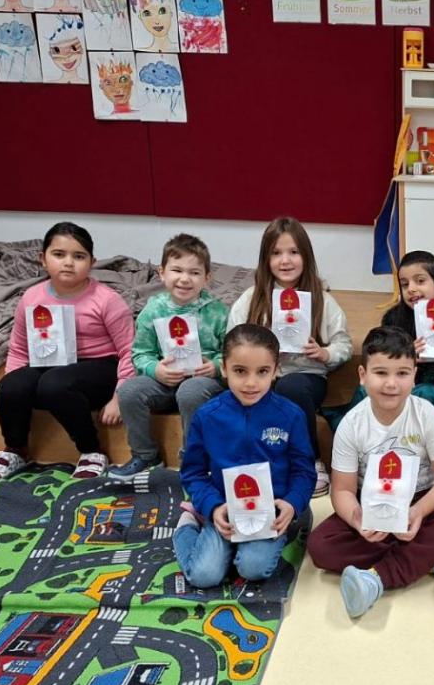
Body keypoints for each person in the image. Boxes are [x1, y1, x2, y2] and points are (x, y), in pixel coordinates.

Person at [307, 327, 434, 619]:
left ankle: (376, 578)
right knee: (320, 546)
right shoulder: (352, 423)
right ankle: (429, 558)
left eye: (402, 373)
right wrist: (358, 519)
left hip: (421, 500)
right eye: (381, 373)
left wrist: (418, 512)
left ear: (414, 376)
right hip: (370, 502)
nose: (391, 383)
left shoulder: (426, 414)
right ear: (363, 375)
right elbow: (343, 489)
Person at [0, 222, 133, 481]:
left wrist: (119, 397)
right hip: (49, 364)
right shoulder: (31, 297)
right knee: (10, 385)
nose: (68, 263)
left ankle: (91, 450)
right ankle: (15, 449)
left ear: (92, 262)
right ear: (43, 259)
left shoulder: (107, 299)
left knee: (55, 383)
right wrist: (16, 389)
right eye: (59, 254)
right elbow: (19, 348)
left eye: (79, 256)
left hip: (98, 369)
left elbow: (130, 349)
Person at [174, 325, 316, 588]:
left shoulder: (291, 415)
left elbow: (304, 471)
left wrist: (292, 503)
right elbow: (193, 473)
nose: (251, 383)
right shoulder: (207, 416)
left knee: (254, 568)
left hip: (270, 511)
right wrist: (213, 507)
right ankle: (189, 523)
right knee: (204, 576)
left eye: (262, 371)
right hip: (224, 508)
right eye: (240, 371)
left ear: (276, 370)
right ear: (224, 368)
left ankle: (281, 527)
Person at [228, 217, 352, 496]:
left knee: (291, 387)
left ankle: (311, 461)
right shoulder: (251, 299)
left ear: (306, 257)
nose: (285, 261)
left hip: (306, 376)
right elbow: (232, 339)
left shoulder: (322, 299)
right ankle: (252, 463)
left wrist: (324, 353)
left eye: (293, 252)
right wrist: (256, 351)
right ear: (266, 259)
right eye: (276, 253)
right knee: (241, 393)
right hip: (260, 377)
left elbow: (343, 343)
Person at [112, 234, 228, 478]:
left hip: (203, 383)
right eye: (177, 270)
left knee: (190, 391)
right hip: (164, 382)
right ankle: (145, 455)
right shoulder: (153, 310)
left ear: (207, 278)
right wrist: (155, 369)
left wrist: (216, 366)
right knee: (129, 391)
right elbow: (140, 353)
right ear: (162, 273)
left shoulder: (218, 312)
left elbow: (231, 353)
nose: (185, 279)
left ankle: (194, 459)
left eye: (194, 273)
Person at [342, 250, 434, 426]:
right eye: (404, 284)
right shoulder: (392, 320)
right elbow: (382, 361)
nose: (411, 289)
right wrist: (406, 357)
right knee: (364, 391)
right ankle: (360, 437)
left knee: (428, 393)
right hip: (395, 384)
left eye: (420, 281)